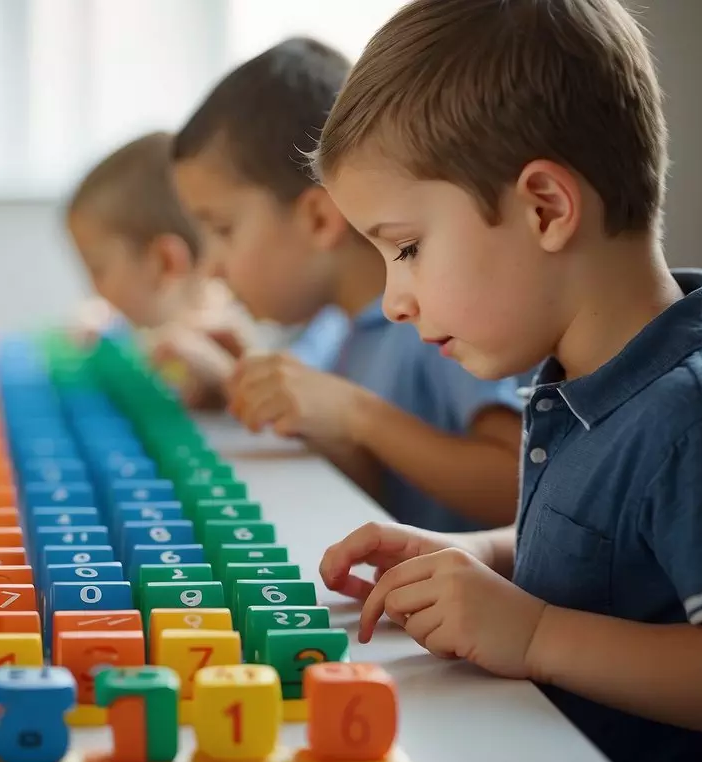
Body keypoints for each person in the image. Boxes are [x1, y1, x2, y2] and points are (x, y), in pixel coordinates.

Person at [313, 2, 702, 762]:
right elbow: (624, 560)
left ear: (546, 208)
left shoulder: (695, 420)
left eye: (405, 248)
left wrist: (536, 635)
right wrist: (471, 555)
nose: (391, 300)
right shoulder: (588, 386)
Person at [171, 36, 524, 531]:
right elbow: (362, 471)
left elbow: (519, 487)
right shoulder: (341, 332)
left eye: (223, 230)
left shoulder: (433, 323)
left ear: (318, 219)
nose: (209, 267)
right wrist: (248, 382)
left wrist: (359, 415)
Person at [65, 130, 347, 407]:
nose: (93, 289)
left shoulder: (252, 330)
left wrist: (229, 383)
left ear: (164, 262)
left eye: (98, 269)